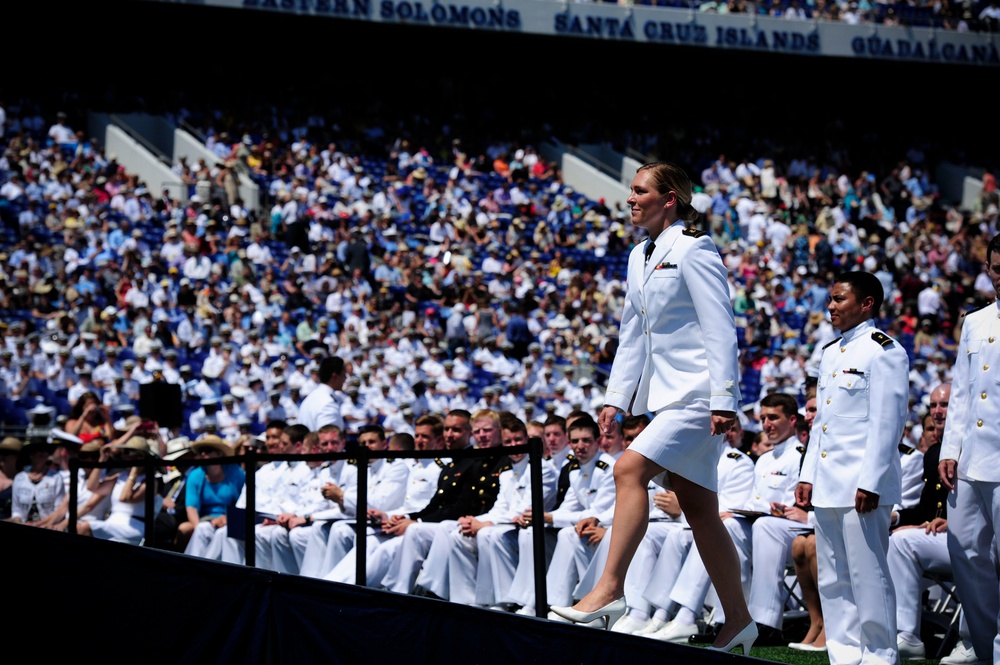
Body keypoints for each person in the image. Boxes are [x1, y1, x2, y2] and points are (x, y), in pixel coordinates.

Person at [553, 162, 751, 653]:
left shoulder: (694, 248)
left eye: (640, 191)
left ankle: (610, 589)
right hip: (667, 400)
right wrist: (614, 400)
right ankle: (740, 621)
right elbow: (632, 334)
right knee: (702, 513)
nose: (630, 198)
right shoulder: (640, 255)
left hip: (699, 398)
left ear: (670, 200)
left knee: (627, 470)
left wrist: (725, 399)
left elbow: (720, 327)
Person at [796, 270, 910, 665]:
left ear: (866, 304)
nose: (831, 306)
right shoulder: (830, 352)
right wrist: (808, 473)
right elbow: (822, 423)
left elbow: (887, 422)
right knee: (833, 577)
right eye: (830, 299)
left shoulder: (884, 350)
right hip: (828, 482)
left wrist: (872, 481)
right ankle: (844, 654)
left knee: (869, 576)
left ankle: (879, 655)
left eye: (839, 299)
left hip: (861, 483)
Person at [939, 232, 1000, 665]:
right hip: (969, 459)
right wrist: (949, 447)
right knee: (965, 553)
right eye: (997, 269)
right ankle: (983, 645)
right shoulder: (976, 321)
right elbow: (960, 391)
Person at [180, 435, 246, 558]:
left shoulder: (236, 472)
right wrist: (197, 526)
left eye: (208, 450)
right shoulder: (195, 475)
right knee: (201, 529)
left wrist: (227, 519)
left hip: (230, 519)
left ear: (219, 453)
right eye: (201, 451)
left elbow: (243, 502)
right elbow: (191, 507)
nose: (204, 454)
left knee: (222, 533)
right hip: (205, 521)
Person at [297, 355, 347, 432]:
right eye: (344, 374)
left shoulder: (312, 397)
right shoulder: (328, 403)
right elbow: (329, 440)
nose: (345, 378)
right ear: (335, 376)